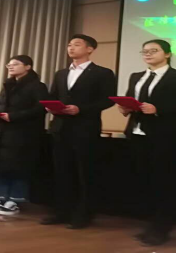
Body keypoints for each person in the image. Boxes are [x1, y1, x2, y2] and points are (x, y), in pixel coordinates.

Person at [118, 40, 176, 246]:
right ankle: (151, 223)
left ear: (168, 54)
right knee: (145, 180)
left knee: (165, 181)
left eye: (153, 51)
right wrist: (125, 107)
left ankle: (163, 226)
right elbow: (131, 99)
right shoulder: (136, 76)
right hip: (138, 134)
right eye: (144, 51)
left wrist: (159, 108)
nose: (148, 54)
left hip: (166, 136)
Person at [42, 35, 116, 230]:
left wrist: (81, 109)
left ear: (90, 49)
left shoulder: (102, 73)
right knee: (62, 172)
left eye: (76, 45)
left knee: (84, 173)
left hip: (85, 128)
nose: (71, 48)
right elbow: (53, 96)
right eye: (69, 45)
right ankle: (61, 211)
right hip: (60, 128)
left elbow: (107, 100)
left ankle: (84, 213)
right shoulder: (61, 73)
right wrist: (50, 106)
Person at [0, 55, 49, 216]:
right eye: (9, 64)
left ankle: (15, 200)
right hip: (2, 131)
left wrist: (13, 116)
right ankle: (0, 197)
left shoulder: (37, 86)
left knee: (18, 166)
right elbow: (1, 105)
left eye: (15, 64)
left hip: (24, 133)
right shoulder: (8, 84)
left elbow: (40, 109)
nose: (10, 67)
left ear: (28, 67)